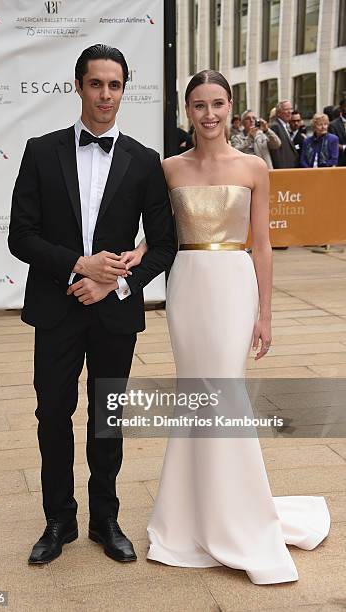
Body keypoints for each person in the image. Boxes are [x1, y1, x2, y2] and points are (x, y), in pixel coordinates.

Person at [122, 70, 330, 585]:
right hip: (187, 285)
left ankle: (241, 515)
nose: (209, 114)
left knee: (226, 393)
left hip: (233, 285)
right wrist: (137, 255)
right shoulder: (168, 169)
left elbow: (261, 245)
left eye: (217, 104)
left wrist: (265, 313)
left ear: (230, 106)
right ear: (186, 110)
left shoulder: (255, 167)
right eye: (198, 105)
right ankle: (188, 516)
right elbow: (161, 236)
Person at [8, 44, 176, 566]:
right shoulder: (40, 150)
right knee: (52, 413)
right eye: (97, 84)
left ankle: (106, 517)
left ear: (125, 89)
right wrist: (80, 266)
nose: (106, 94)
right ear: (78, 86)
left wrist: (115, 285)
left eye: (115, 85)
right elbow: (21, 237)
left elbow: (164, 243)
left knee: (108, 417)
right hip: (56, 308)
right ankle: (59, 519)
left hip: (113, 312)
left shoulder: (146, 162)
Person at [269, 100, 299, 168]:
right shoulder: (275, 126)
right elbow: (276, 152)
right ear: (278, 112)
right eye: (286, 109)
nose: (290, 112)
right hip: (283, 169)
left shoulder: (285, 125)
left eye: (291, 109)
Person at [328, 98, 346, 166]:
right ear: (341, 108)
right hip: (341, 162)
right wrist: (344, 148)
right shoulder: (333, 125)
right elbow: (333, 143)